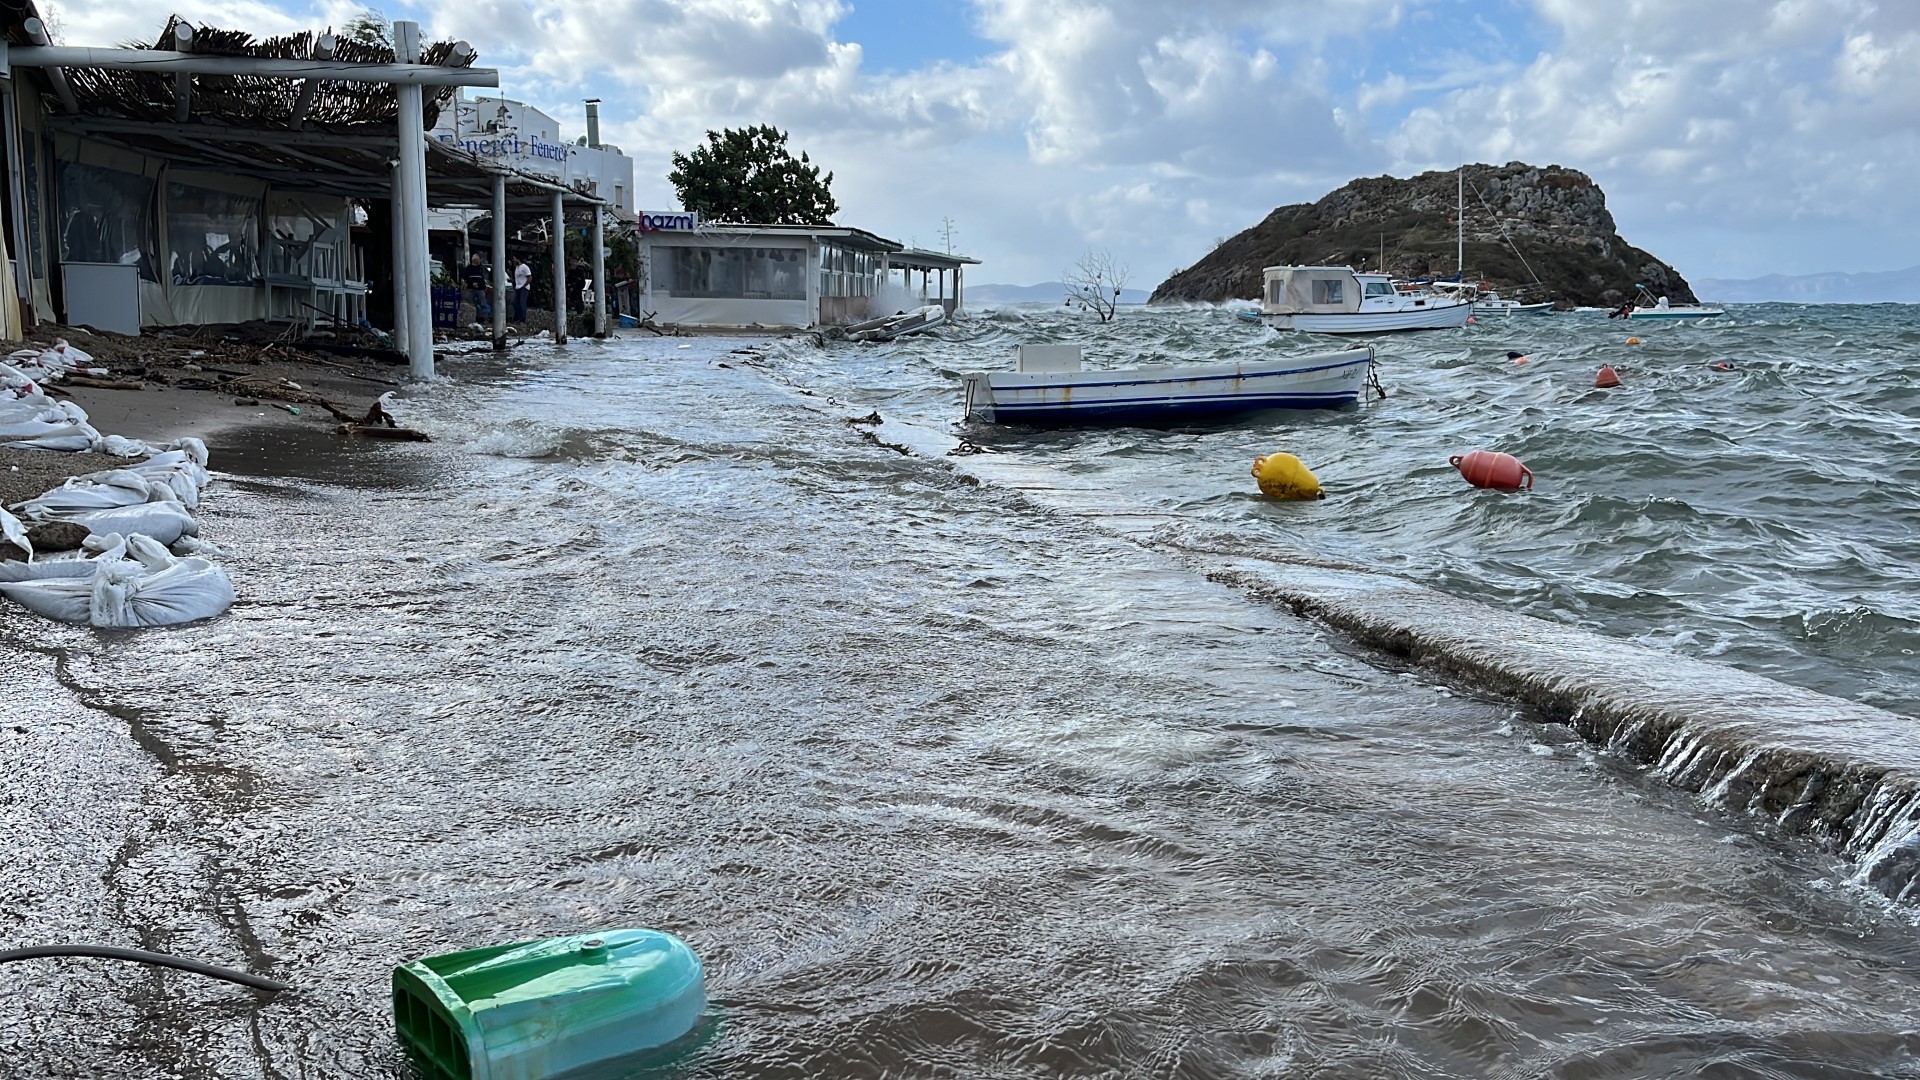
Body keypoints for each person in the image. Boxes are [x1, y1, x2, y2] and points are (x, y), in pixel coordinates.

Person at [460, 253, 490, 321]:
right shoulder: (469, 268)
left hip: (481, 289)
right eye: (478, 259)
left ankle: (484, 318)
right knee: (471, 304)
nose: (480, 260)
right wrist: (471, 283)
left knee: (483, 304)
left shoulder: (481, 268)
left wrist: (484, 287)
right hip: (471, 289)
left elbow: (482, 278)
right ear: (475, 260)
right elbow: (465, 278)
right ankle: (473, 318)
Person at [512, 257, 531, 323]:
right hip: (517, 287)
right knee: (514, 302)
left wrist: (524, 285)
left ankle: (522, 318)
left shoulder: (524, 267)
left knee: (522, 302)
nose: (513, 260)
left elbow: (529, 277)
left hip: (523, 288)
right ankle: (517, 317)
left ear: (518, 259)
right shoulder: (517, 268)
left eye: (514, 258)